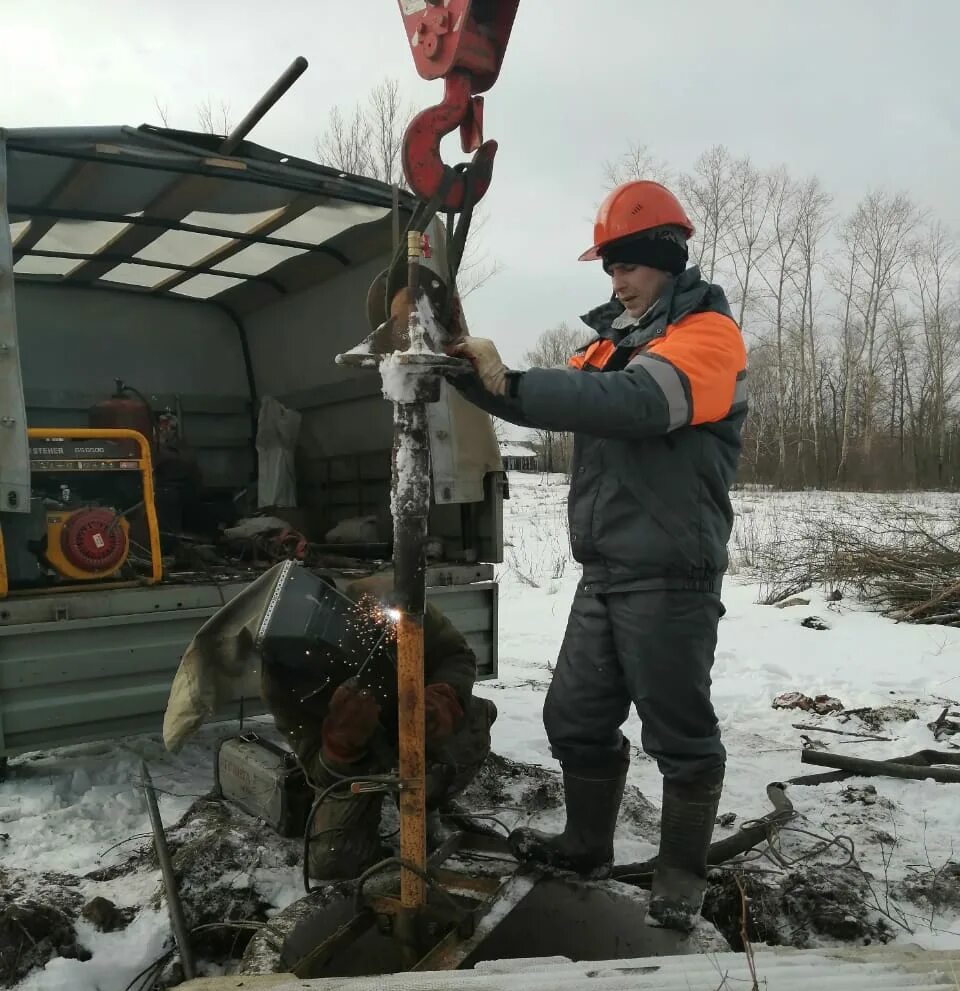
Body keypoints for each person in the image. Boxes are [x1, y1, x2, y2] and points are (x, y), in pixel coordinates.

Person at [444, 180, 747, 933]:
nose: (617, 280)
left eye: (629, 264)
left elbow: (636, 405)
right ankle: (586, 847)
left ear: (668, 260)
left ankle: (680, 870)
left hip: (672, 571)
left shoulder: (707, 339)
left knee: (678, 731)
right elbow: (555, 399)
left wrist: (510, 378)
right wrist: (470, 374)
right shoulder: (610, 345)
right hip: (605, 570)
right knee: (574, 718)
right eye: (609, 266)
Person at [260, 576, 497, 881]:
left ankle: (429, 804)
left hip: (422, 721)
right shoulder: (281, 686)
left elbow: (455, 653)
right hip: (361, 760)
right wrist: (340, 746)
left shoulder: (382, 601)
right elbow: (316, 769)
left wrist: (443, 697)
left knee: (447, 761)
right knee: (334, 861)